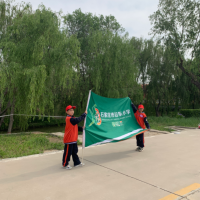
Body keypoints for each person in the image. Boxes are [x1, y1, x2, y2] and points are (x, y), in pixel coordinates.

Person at [62, 105, 87, 169]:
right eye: (70, 110)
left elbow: (75, 126)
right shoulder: (69, 118)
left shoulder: (72, 119)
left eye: (72, 110)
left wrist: (82, 128)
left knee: (74, 151)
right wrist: (84, 114)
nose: (72, 111)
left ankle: (77, 163)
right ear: (66, 112)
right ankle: (65, 164)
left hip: (73, 139)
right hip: (69, 139)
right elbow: (78, 120)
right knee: (68, 153)